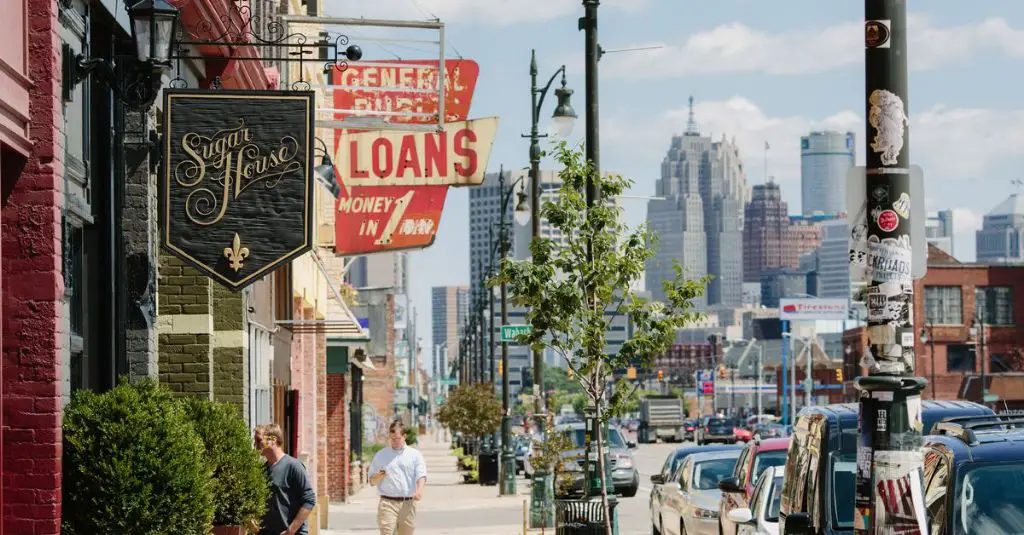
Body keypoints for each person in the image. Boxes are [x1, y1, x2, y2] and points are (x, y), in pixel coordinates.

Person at [368, 420, 428, 535]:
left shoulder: (414, 455)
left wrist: (419, 491)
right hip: (387, 503)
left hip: (408, 503)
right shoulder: (381, 455)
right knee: (387, 533)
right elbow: (371, 481)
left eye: (397, 438)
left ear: (404, 436)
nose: (394, 442)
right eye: (392, 439)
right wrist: (380, 475)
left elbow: (421, 475)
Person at [258, 424, 316, 535]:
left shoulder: (293, 466)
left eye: (259, 440)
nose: (255, 445)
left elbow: (309, 500)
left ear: (273, 440)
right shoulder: (263, 470)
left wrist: (291, 530)